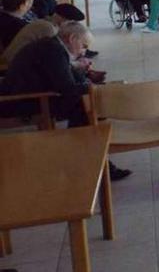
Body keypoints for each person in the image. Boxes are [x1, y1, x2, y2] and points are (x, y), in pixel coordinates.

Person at [0, 21, 129, 180]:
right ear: (72, 38)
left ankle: (90, 160)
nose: (84, 51)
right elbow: (67, 88)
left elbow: (70, 80)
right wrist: (100, 89)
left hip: (34, 96)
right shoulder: (52, 51)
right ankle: (91, 161)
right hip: (21, 102)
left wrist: (92, 85)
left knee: (85, 104)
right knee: (82, 106)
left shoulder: (53, 47)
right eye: (83, 45)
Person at [1, 3, 85, 65]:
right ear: (63, 19)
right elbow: (55, 55)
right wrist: (75, 62)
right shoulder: (48, 28)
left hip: (17, 59)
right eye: (71, 22)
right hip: (14, 63)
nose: (71, 26)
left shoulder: (47, 23)